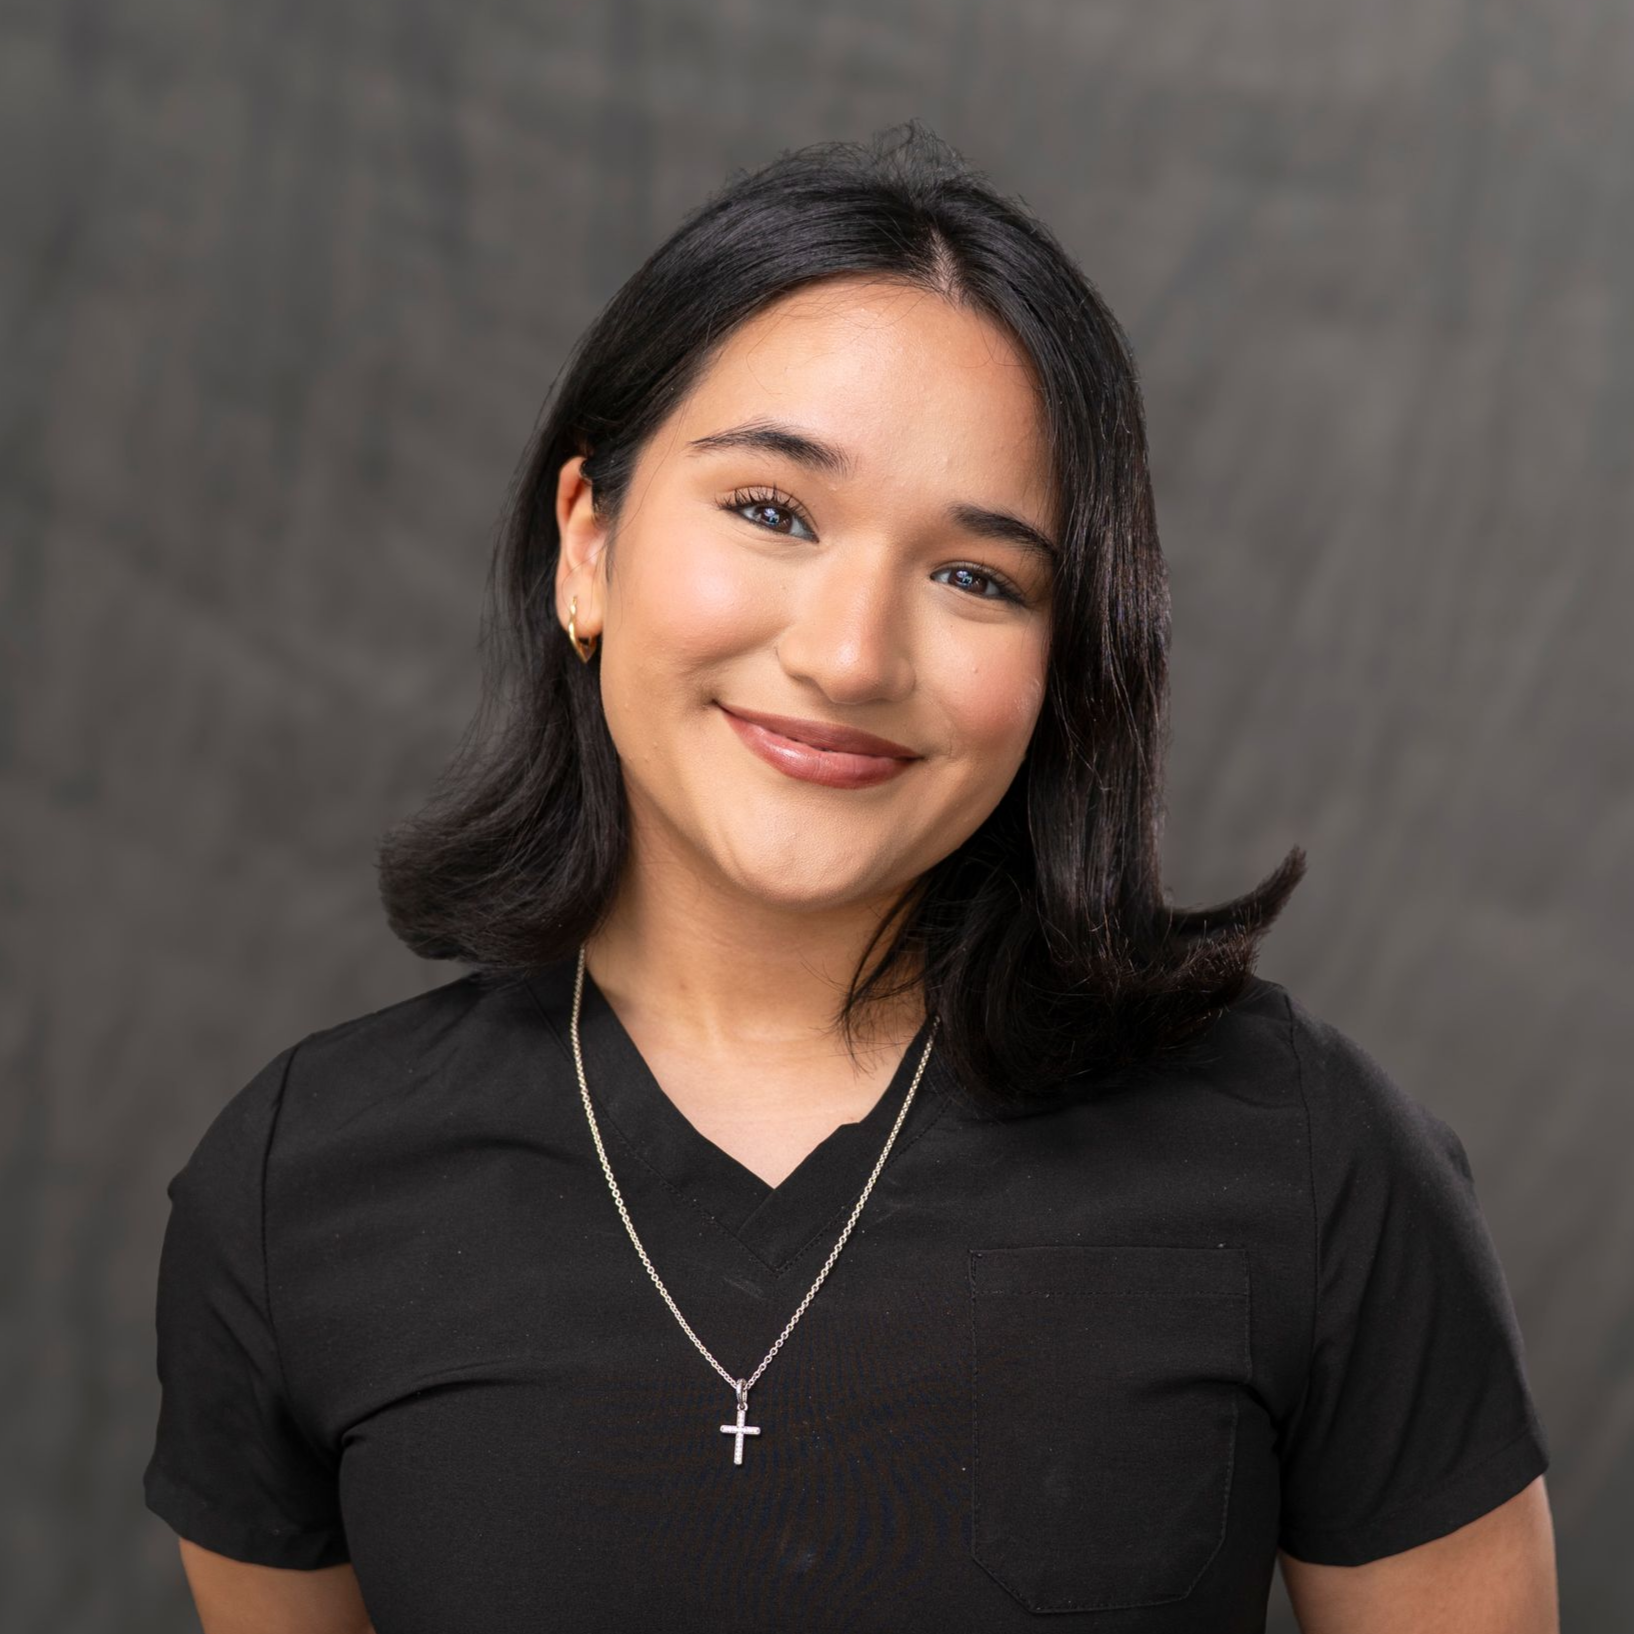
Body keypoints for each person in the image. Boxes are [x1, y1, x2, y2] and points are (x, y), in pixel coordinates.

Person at [142, 122, 1557, 1633]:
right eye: (771, 510)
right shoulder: (299, 1187)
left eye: (976, 576)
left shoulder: (1306, 1161)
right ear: (588, 546)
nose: (849, 654)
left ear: (1066, 658)